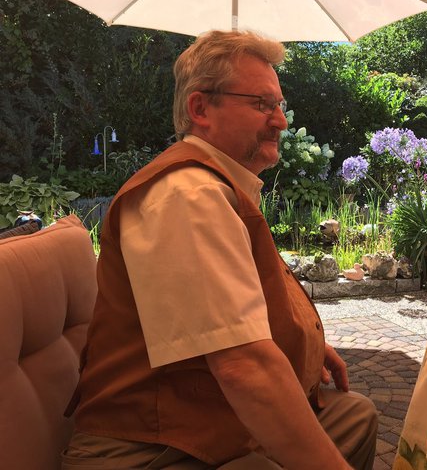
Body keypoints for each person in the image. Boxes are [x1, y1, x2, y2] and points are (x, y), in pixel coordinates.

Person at [62, 30, 377, 470]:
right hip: (145, 450)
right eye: (261, 104)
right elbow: (242, 367)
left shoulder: (217, 185)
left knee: (355, 416)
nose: (281, 121)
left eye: (279, 105)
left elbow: (228, 315)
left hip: (204, 417)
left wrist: (303, 343)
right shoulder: (188, 196)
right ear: (200, 109)